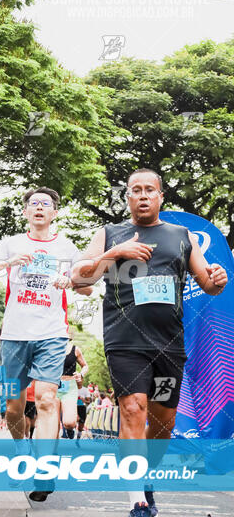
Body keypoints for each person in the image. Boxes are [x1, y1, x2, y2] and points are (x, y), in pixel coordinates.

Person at [72, 168, 228, 517]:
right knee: (132, 409)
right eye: (135, 190)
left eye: (149, 190)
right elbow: (77, 275)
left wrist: (218, 278)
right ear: (127, 197)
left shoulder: (181, 235)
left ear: (160, 197)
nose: (142, 196)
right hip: (124, 340)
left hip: (168, 344)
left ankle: (147, 477)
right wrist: (117, 252)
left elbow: (208, 283)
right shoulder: (110, 234)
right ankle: (137, 500)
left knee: (163, 422)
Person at [0, 187, 91, 502]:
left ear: (54, 213)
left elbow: (88, 288)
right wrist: (6, 263)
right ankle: (22, 451)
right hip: (14, 334)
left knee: (48, 399)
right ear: (25, 212)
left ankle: (45, 470)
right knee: (14, 406)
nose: (39, 208)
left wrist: (73, 282)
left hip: (52, 333)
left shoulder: (66, 247)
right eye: (33, 204)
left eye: (45, 204)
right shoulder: (10, 244)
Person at [56, 331, 88, 439]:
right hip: (53, 384)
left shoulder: (75, 349)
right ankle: (51, 450)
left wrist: (81, 374)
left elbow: (85, 366)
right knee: (53, 421)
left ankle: (70, 429)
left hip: (69, 385)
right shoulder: (50, 348)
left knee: (69, 422)